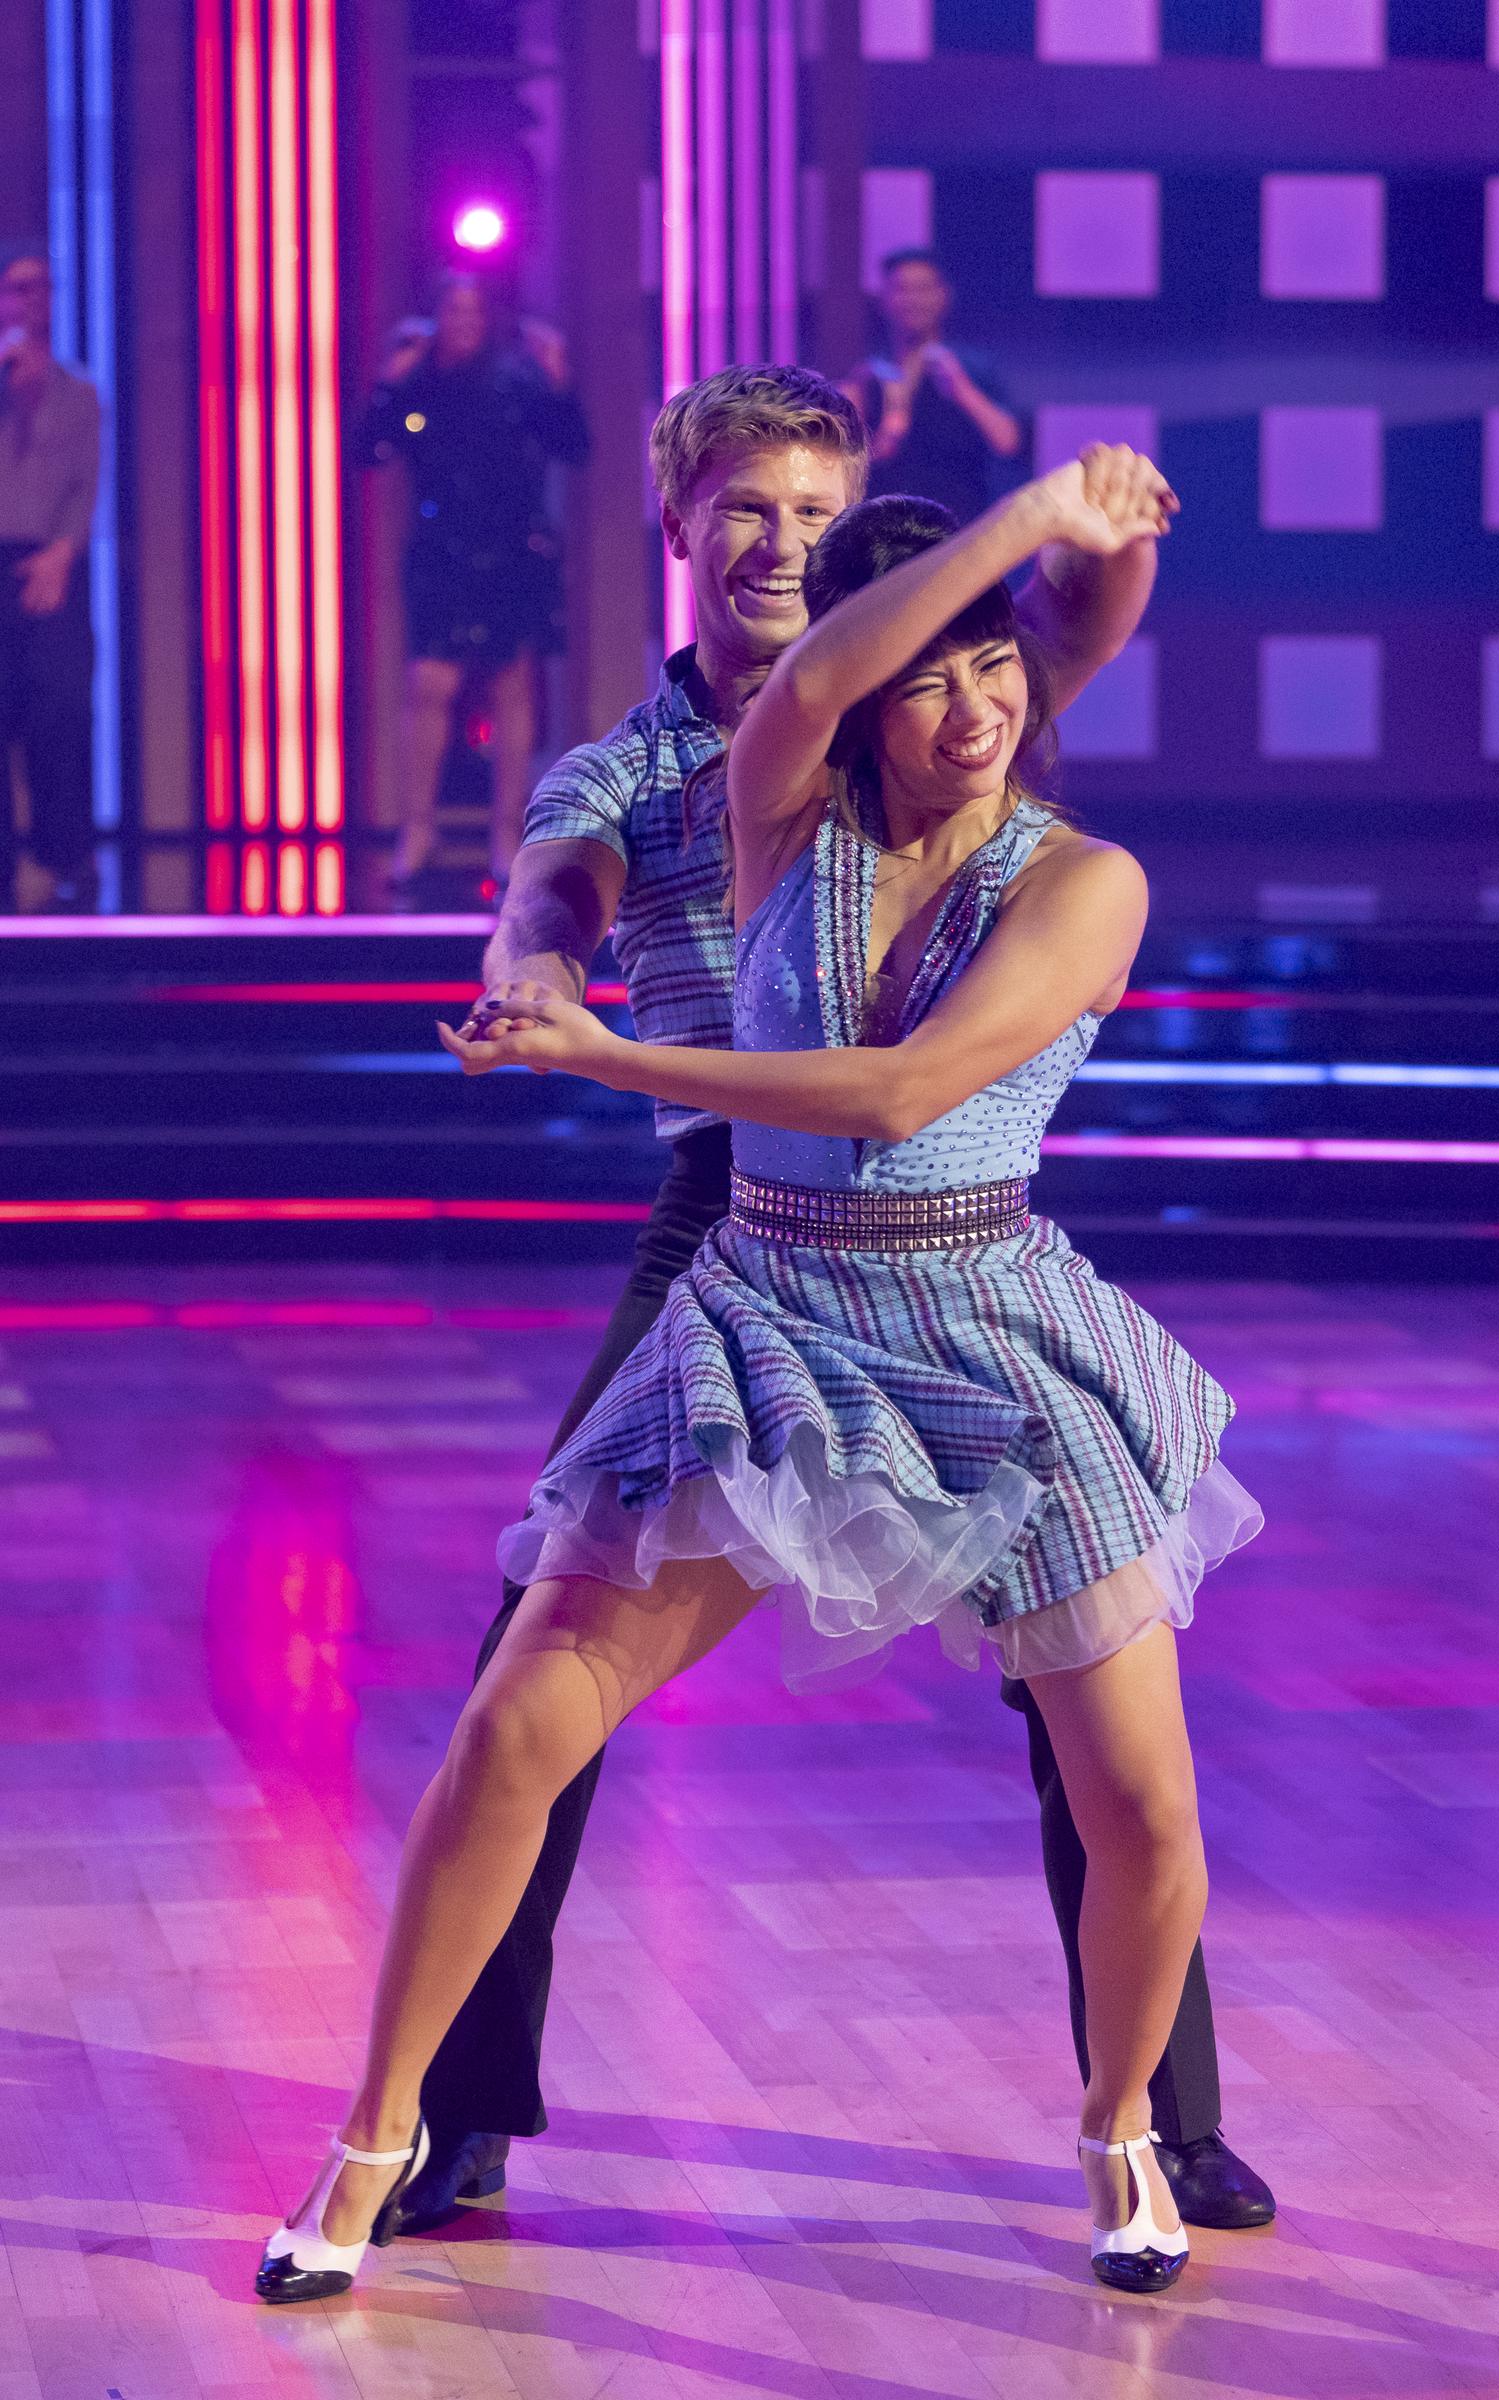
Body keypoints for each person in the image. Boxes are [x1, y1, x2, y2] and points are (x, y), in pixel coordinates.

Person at [258, 460, 1263, 2306]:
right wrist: (1013, 523)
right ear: (860, 695)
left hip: (987, 1327)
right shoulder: (772, 813)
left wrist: (607, 1059)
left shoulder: (1087, 882)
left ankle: (1128, 2123)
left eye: (997, 676)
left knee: (1141, 1804)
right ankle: (378, 2132)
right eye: (925, 677)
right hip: (767, 1314)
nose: (968, 711)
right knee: (516, 1722)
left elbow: (896, 1098)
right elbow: (785, 699)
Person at [350, 276, 590, 903]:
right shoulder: (420, 381)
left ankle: (506, 836)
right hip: (441, 553)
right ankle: (417, 832)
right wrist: (391, 380)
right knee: (430, 684)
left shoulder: (516, 379)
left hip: (510, 551)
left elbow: (574, 446)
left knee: (511, 685)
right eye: (450, 309)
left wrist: (559, 378)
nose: (461, 320)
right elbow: (369, 451)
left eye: (473, 310)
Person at [0, 241, 100, 914]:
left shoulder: (80, 392)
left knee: (60, 708)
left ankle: (64, 852)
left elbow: (85, 480)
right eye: (18, 289)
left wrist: (64, 550)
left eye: (41, 289)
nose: (30, 302)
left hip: (51, 561)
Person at [843, 249, 1024, 526]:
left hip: (958, 527)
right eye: (901, 289)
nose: (913, 300)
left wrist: (962, 391)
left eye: (923, 289)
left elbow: (1008, 442)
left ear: (943, 296)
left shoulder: (973, 367)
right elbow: (852, 461)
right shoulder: (870, 375)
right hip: (886, 526)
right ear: (884, 299)